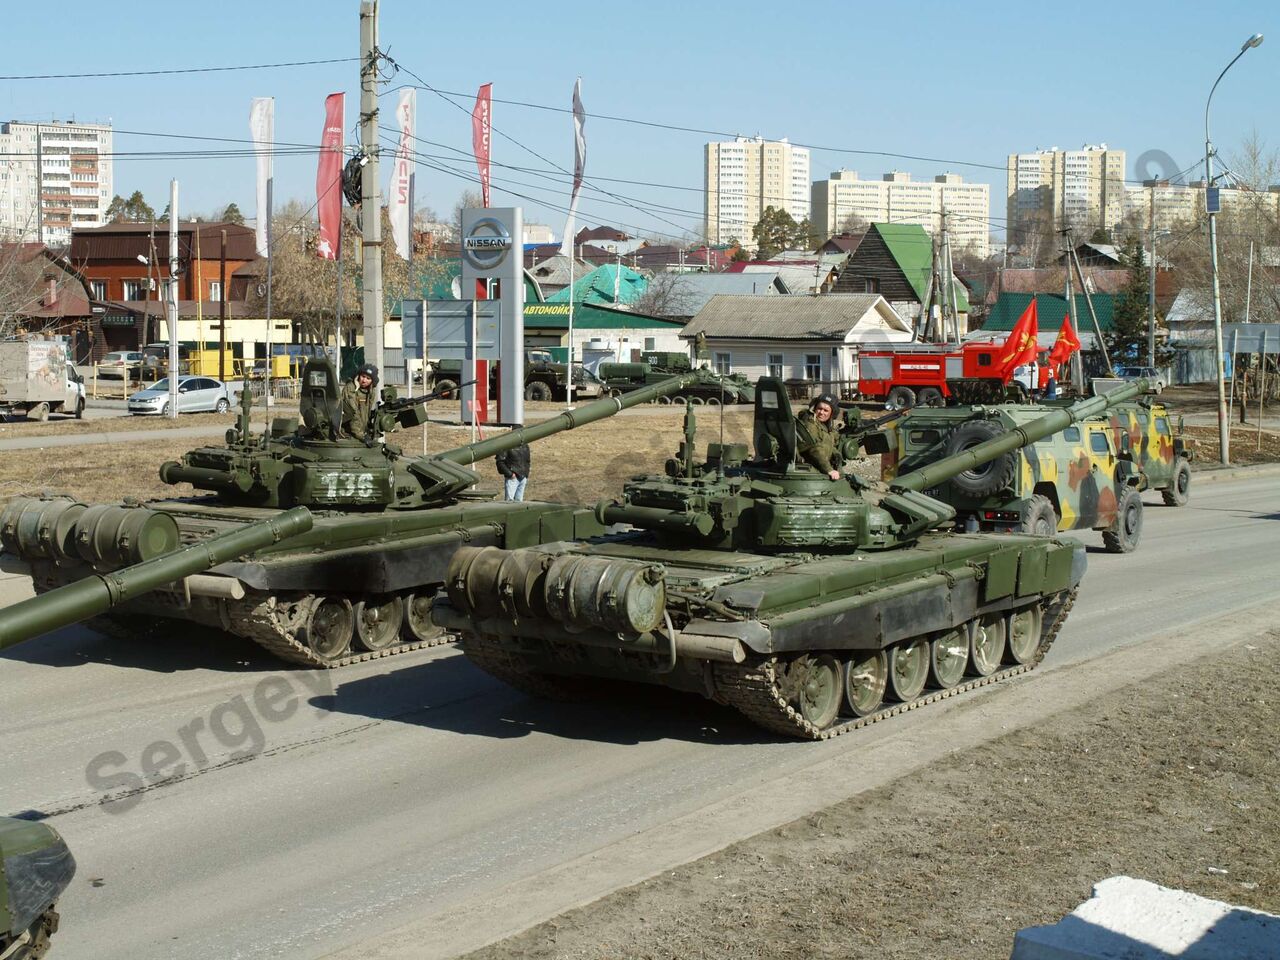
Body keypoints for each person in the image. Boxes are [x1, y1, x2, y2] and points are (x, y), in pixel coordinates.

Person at [795, 393, 843, 481]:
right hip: (810, 468)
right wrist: (829, 469)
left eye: (825, 410)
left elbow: (828, 442)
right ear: (815, 408)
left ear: (831, 413)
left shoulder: (825, 425)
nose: (821, 412)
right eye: (819, 409)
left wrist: (835, 453)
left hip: (818, 466)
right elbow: (814, 448)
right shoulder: (810, 423)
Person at [340, 362, 378, 439]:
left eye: (368, 378)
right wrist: (361, 436)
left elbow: (367, 413)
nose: (364, 380)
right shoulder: (350, 389)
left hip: (361, 431)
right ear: (358, 376)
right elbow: (354, 414)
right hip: (348, 433)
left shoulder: (371, 392)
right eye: (363, 376)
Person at [495, 427, 531, 501]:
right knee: (509, 503)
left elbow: (527, 461)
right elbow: (500, 462)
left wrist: (526, 474)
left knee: (519, 504)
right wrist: (510, 474)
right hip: (512, 478)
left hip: (523, 477)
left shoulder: (525, 445)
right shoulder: (506, 445)